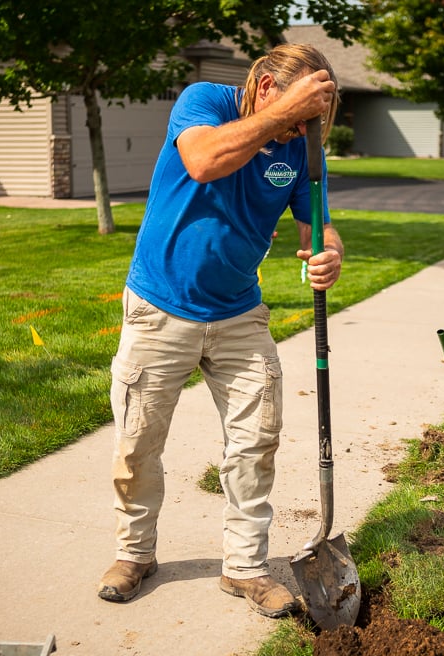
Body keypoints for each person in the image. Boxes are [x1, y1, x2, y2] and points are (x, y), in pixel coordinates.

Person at [98, 43, 344, 618]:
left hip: (238, 314)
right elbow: (205, 161)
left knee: (256, 439)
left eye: (311, 124)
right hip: (160, 307)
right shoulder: (203, 101)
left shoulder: (300, 149)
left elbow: (320, 226)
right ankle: (134, 555)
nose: (299, 134)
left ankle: (246, 568)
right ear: (264, 89)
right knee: (138, 442)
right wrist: (282, 119)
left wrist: (329, 253)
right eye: (296, 117)